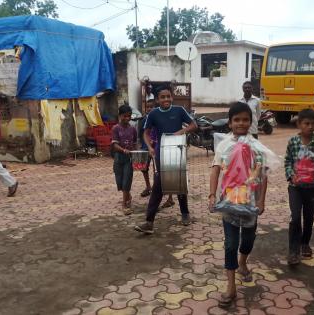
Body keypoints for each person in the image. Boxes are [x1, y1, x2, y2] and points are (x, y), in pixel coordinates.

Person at [208, 102, 268, 308]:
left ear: (251, 122)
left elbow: (263, 174)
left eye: (245, 119)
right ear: (230, 123)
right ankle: (231, 286)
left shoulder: (256, 146)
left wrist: (261, 199)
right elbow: (216, 170)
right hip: (228, 203)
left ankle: (243, 262)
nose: (241, 123)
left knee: (248, 241)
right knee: (231, 244)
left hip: (250, 203)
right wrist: (211, 195)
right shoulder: (224, 145)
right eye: (237, 120)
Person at [134, 85, 197, 234]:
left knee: (179, 181)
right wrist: (149, 147)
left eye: (168, 96)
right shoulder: (154, 114)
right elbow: (146, 133)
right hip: (161, 153)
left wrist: (181, 132)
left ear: (172, 97)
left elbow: (194, 125)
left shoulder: (179, 110)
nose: (166, 99)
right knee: (159, 185)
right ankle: (149, 222)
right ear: (157, 100)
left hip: (178, 150)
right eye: (163, 97)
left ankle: (185, 213)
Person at [284, 108, 314, 265]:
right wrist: (291, 175)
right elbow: (288, 161)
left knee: (309, 218)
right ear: (299, 124)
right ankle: (293, 251)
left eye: (313, 123)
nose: (310, 126)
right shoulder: (293, 142)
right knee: (295, 218)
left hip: (312, 188)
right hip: (295, 187)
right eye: (306, 123)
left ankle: (305, 243)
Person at [112, 104, 137, 215]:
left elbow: (135, 143)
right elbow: (114, 145)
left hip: (129, 159)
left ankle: (125, 203)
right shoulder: (115, 128)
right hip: (118, 157)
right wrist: (123, 150)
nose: (127, 118)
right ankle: (128, 195)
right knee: (120, 181)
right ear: (120, 115)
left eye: (129, 116)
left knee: (127, 180)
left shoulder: (133, 129)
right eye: (125, 116)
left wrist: (136, 153)